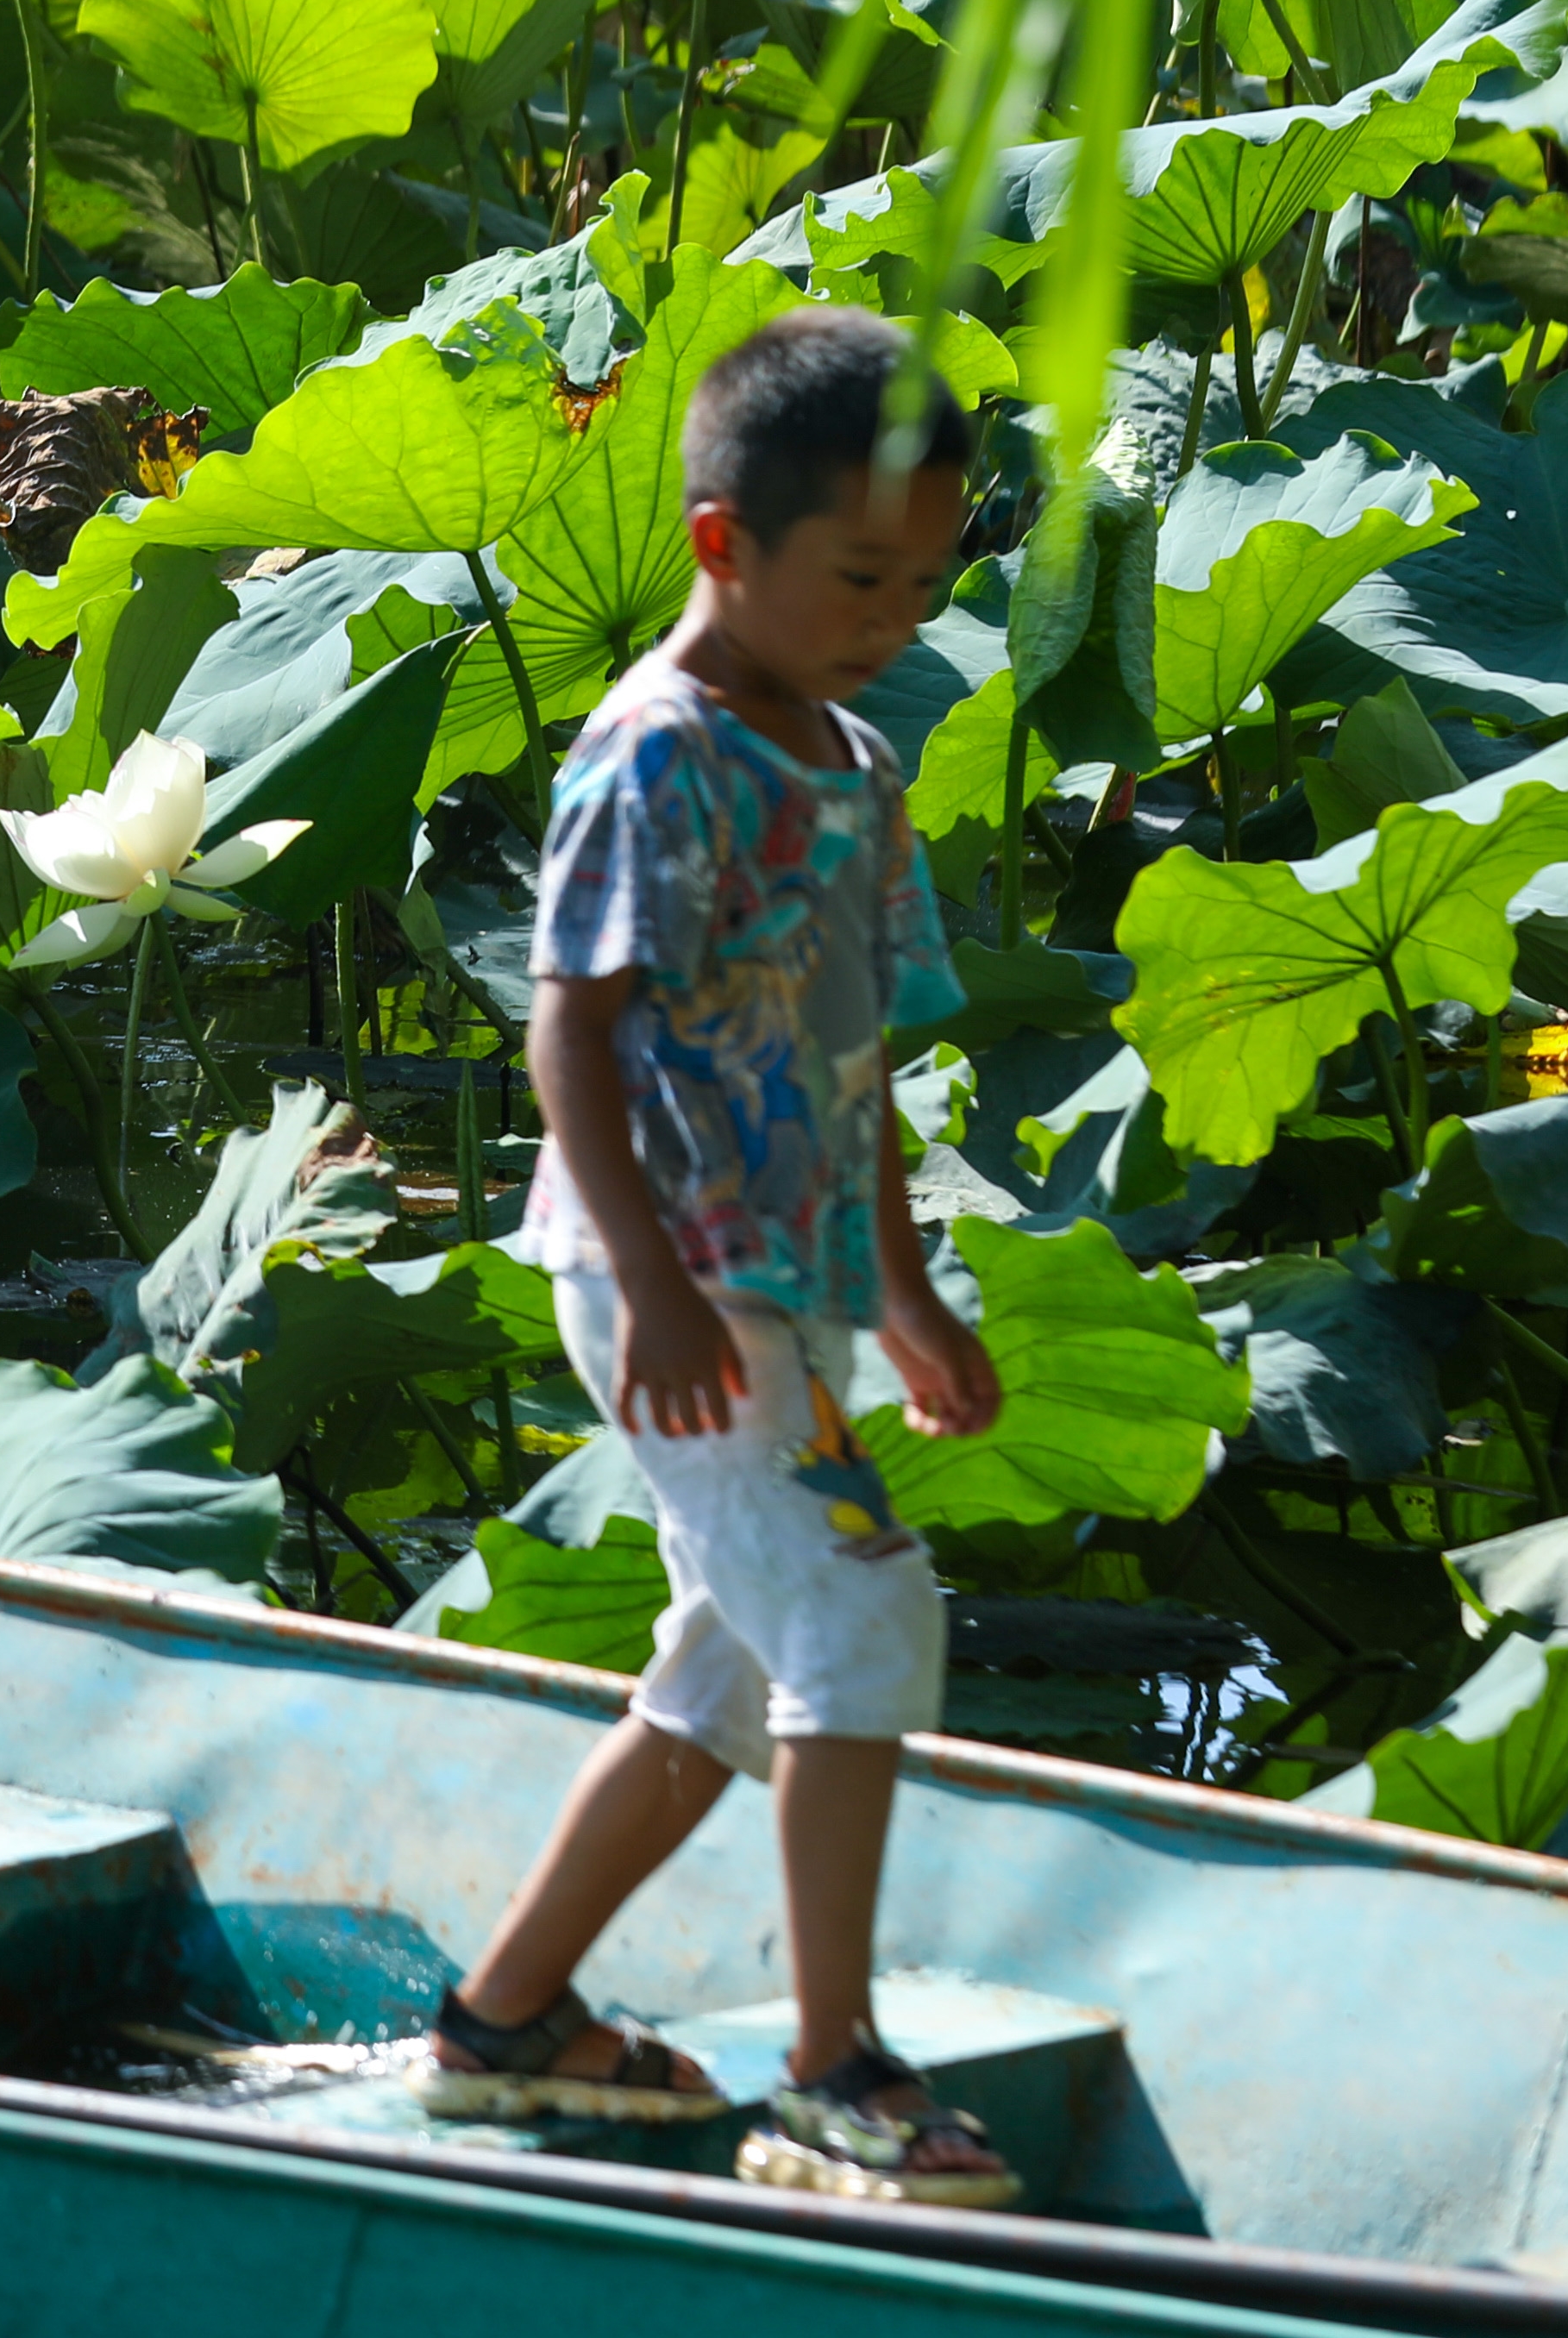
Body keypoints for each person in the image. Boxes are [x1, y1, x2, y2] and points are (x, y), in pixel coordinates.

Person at [423, 303, 1017, 2205]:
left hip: (794, 1281)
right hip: (664, 1279)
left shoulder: (852, 759)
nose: (889, 616)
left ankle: (505, 2020)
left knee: (721, 1671)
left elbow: (859, 1064)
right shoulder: (652, 754)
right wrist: (660, 1284)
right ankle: (833, 2067)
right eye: (856, 573)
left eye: (925, 582)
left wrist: (905, 1283)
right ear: (720, 543)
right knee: (862, 1617)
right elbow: (567, 1028)